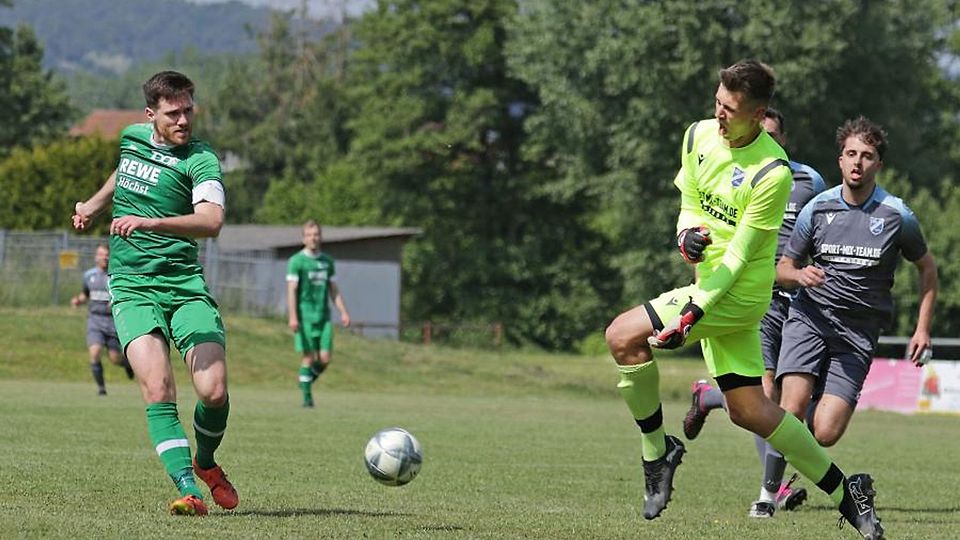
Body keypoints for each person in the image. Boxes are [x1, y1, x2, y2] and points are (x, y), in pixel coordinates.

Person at [603, 60, 883, 539]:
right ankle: (847, 491)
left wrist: (693, 311)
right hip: (709, 286)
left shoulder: (773, 173)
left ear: (758, 114)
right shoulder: (697, 135)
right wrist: (685, 235)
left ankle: (657, 453)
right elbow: (690, 202)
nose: (719, 115)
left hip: (738, 295)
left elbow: (738, 258)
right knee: (750, 410)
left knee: (621, 336)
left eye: (730, 109)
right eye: (717, 102)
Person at [72, 70, 237, 516]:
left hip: (183, 285)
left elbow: (211, 222)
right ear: (151, 116)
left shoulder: (200, 160)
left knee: (214, 391)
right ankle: (188, 486)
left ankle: (205, 463)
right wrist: (92, 203)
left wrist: (150, 222)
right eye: (173, 113)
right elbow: (124, 171)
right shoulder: (130, 137)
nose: (184, 120)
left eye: (188, 110)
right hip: (131, 285)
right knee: (158, 386)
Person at [771, 116, 937, 504]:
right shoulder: (818, 207)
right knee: (789, 409)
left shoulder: (897, 215)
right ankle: (769, 493)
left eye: (867, 156)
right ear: (840, 160)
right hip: (809, 319)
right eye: (850, 154)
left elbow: (927, 268)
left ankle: (799, 432)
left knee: (826, 432)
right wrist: (799, 276)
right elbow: (783, 268)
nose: (857, 162)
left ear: (878, 164)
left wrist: (922, 329)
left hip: (857, 334)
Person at [679, 108, 827, 517]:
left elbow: (821, 232)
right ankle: (773, 488)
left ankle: (707, 397)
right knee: (761, 397)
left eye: (773, 134)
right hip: (750, 297)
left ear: (784, 138)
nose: (765, 140)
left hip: (795, 303)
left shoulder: (807, 181)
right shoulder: (729, 168)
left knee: (775, 405)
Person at [287, 220, 351, 408]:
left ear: (320, 237)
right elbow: (291, 290)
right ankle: (307, 400)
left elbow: (333, 289)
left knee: (325, 359)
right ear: (303, 238)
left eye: (316, 234)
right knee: (308, 358)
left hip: (324, 318)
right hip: (304, 317)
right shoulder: (296, 261)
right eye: (309, 235)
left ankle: (304, 381)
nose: (313, 238)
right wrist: (293, 316)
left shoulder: (327, 262)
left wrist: (343, 311)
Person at [70, 243, 135, 395]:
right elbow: (86, 294)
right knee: (95, 352)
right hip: (95, 320)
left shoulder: (115, 276)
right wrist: (78, 301)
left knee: (115, 358)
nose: (104, 257)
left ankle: (127, 364)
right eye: (101, 254)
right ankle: (101, 389)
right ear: (96, 256)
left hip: (113, 322)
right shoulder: (88, 275)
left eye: (107, 254)